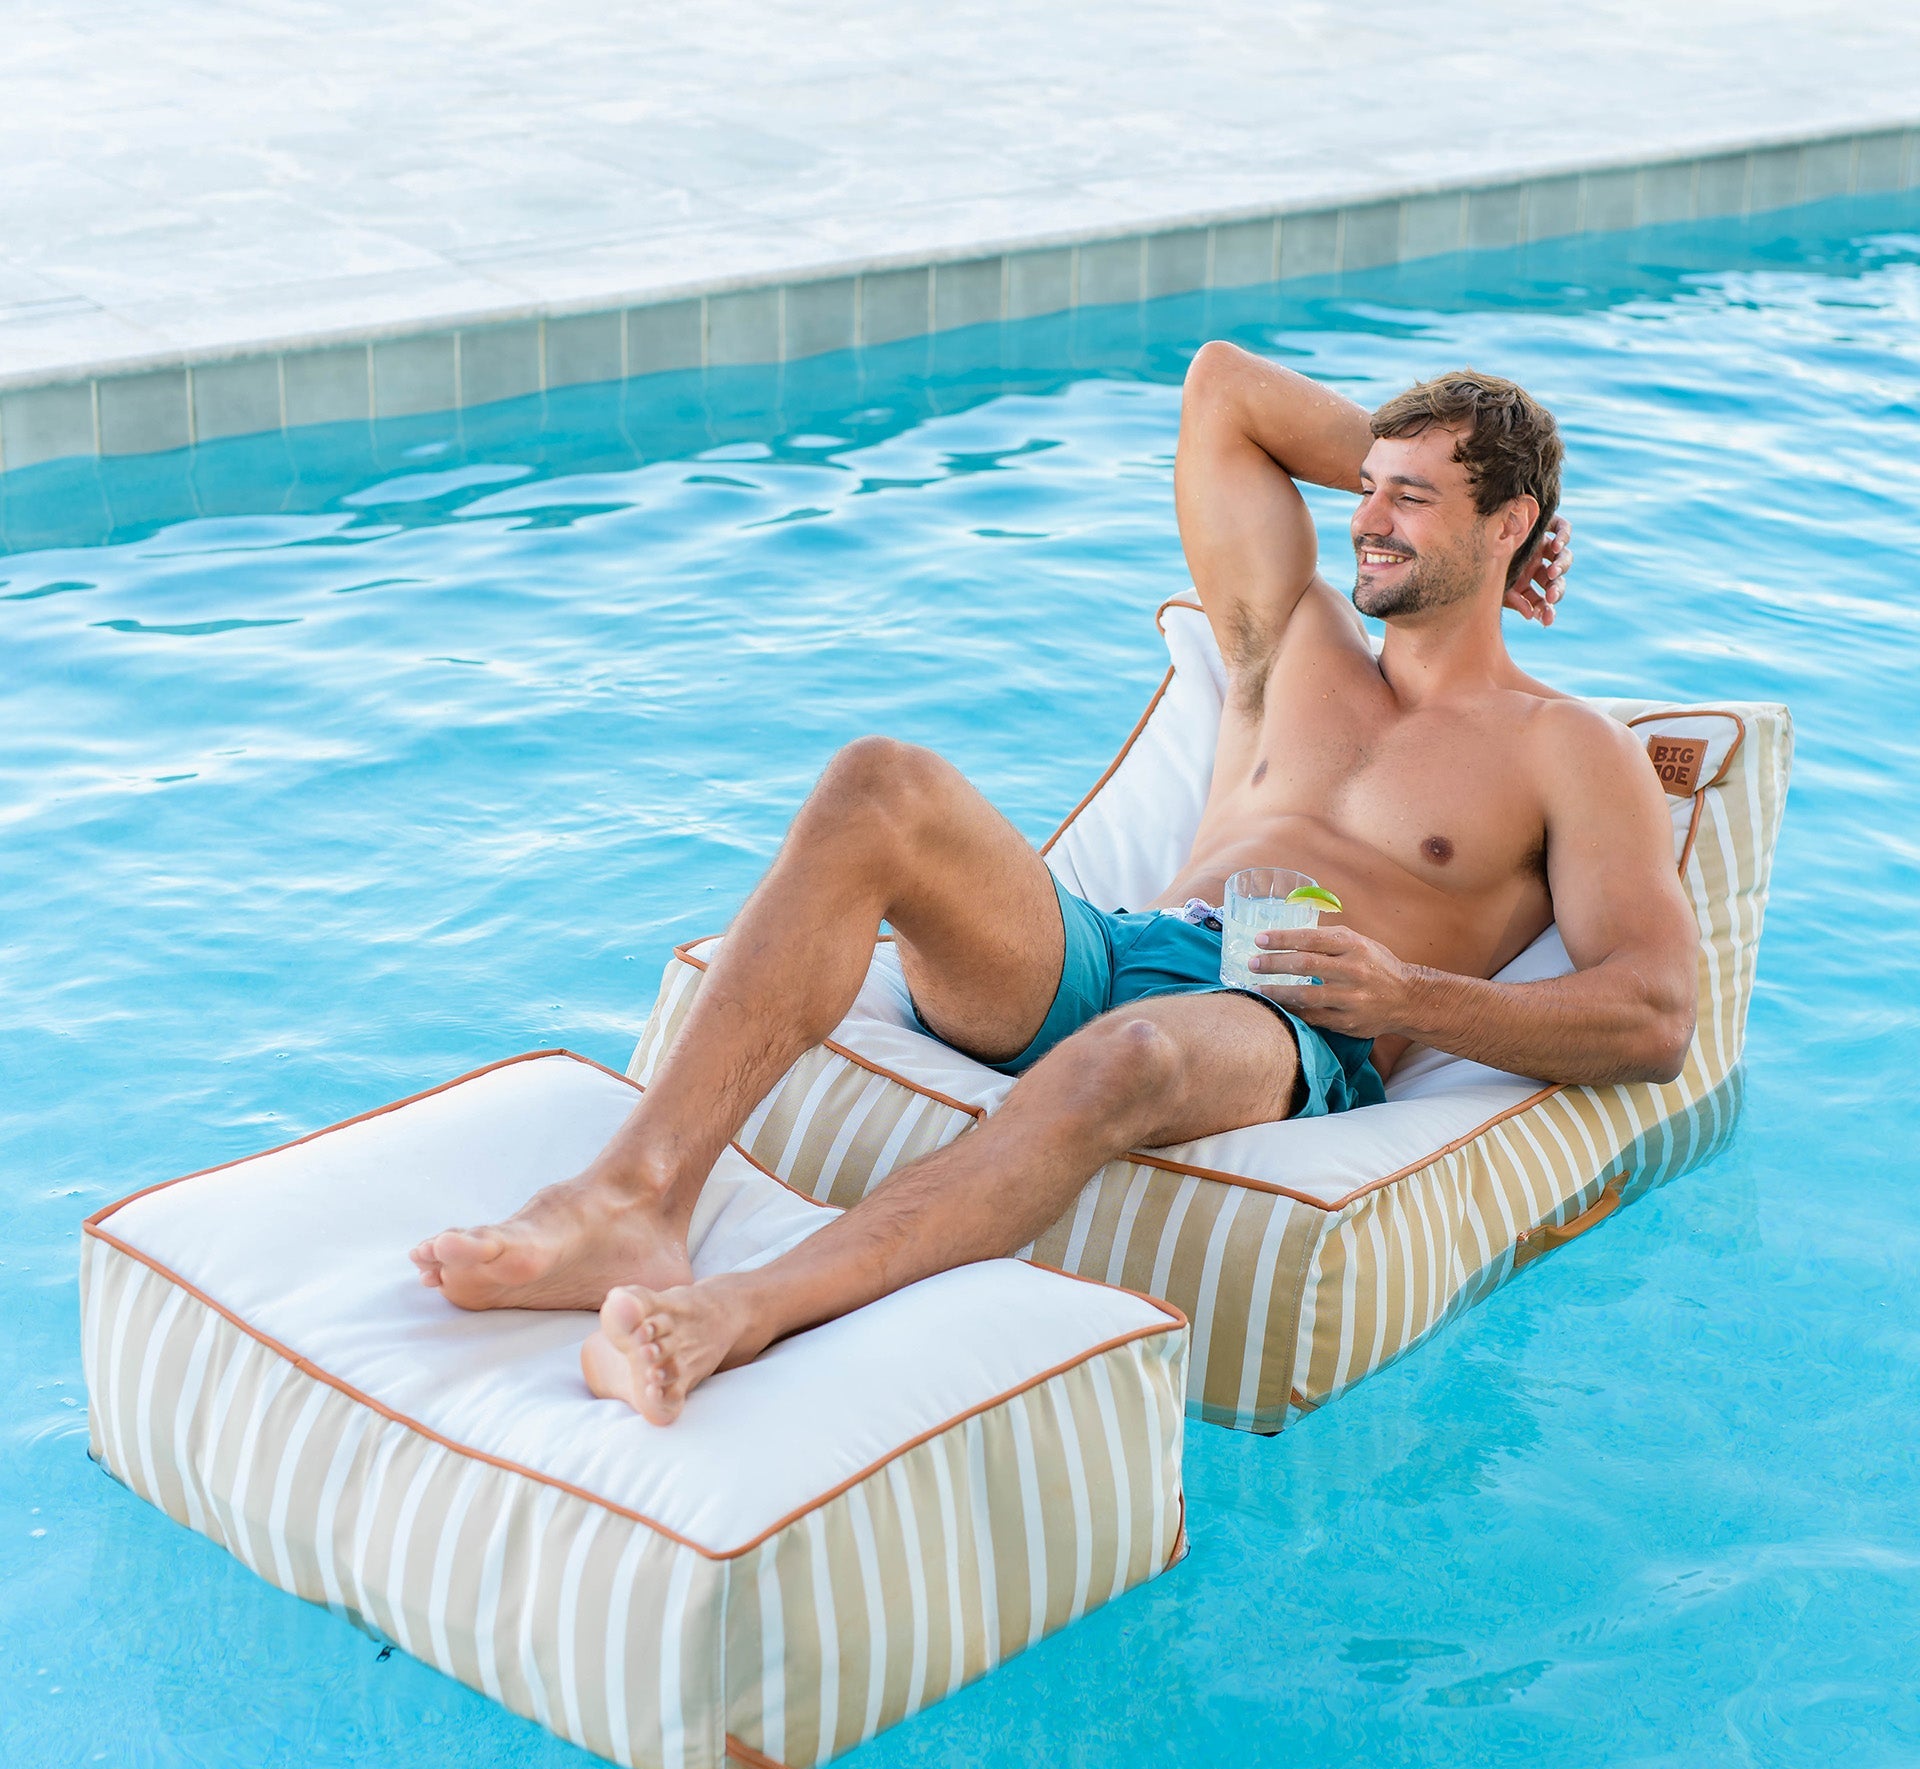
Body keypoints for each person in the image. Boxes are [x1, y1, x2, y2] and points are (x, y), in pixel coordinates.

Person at [410, 346, 1699, 1425]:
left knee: (1129, 1054)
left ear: (1509, 526)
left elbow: (1653, 1015)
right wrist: (1423, 470)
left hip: (1288, 1023)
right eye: (1367, 487)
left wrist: (1412, 993)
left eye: (1414, 500)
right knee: (880, 783)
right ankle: (631, 1203)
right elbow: (1222, 391)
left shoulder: (1565, 749)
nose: (1367, 520)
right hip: (1117, 944)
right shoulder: (1289, 631)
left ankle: (740, 1311)